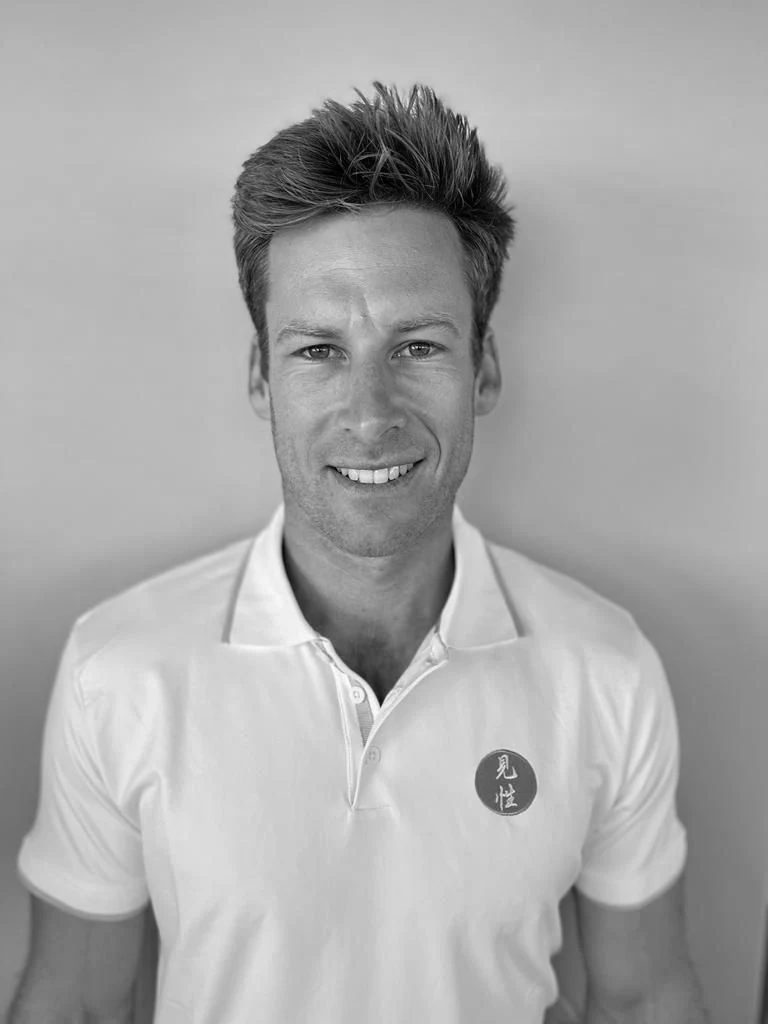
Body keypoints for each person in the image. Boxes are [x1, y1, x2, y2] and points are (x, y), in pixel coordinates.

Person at [8, 82, 709, 1024]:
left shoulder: (605, 669)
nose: (371, 415)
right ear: (261, 377)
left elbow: (644, 995)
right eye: (318, 351)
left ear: (483, 369)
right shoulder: (119, 671)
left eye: (416, 346)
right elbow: (77, 1004)